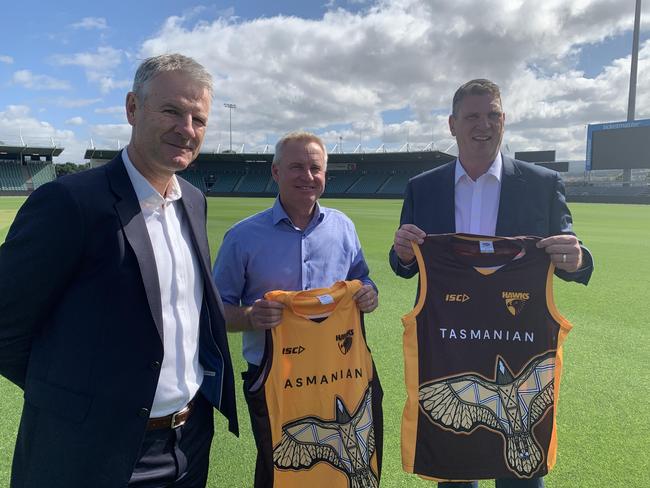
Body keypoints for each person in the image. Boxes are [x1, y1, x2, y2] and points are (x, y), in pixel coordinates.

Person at [0, 53, 238, 488]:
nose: (186, 130)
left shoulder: (194, 201)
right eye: (171, 111)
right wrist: (77, 400)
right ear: (132, 108)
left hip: (188, 443)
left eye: (198, 119)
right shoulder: (69, 202)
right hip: (94, 450)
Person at [390, 79, 593, 488]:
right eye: (473, 116)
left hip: (520, 342)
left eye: (493, 115)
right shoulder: (422, 188)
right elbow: (406, 265)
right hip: (451, 347)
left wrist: (577, 258)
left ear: (505, 120)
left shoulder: (542, 184)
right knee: (455, 470)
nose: (484, 125)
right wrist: (403, 253)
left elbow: (574, 252)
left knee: (520, 479)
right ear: (452, 125)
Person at [213, 131, 379, 485]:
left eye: (315, 168)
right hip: (273, 373)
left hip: (338, 372)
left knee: (341, 468)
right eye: (296, 167)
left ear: (325, 174)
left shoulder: (343, 227)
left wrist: (369, 293)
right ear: (275, 172)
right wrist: (248, 317)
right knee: (276, 465)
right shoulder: (242, 237)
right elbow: (213, 311)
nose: (308, 176)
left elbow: (363, 279)